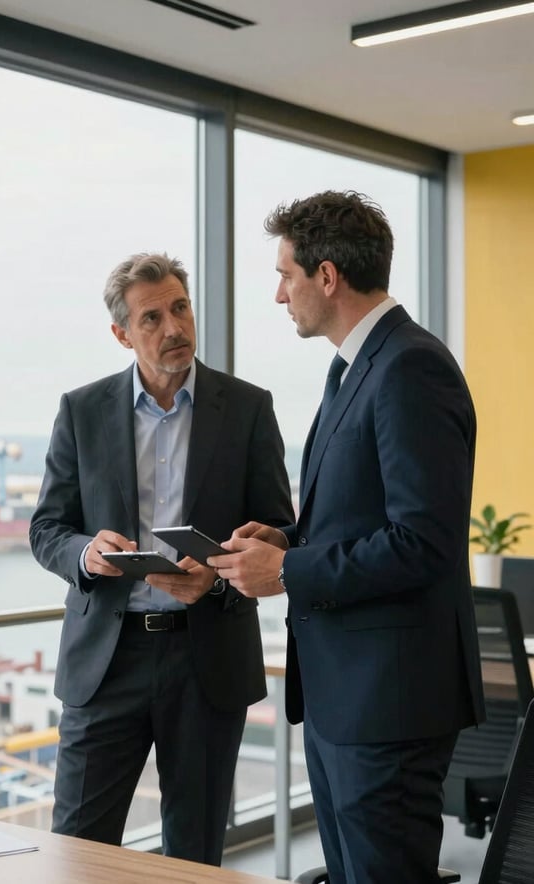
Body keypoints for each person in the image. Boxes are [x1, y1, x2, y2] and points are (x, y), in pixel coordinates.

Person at [211, 191, 485, 883]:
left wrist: (289, 572)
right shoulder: (356, 368)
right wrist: (285, 538)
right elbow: (362, 516)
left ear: (326, 276)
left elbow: (423, 540)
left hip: (388, 704)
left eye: (286, 275)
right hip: (350, 697)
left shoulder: (408, 368)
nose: (279, 295)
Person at [29, 252, 293, 865]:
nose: (173, 327)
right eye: (152, 317)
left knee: (193, 854)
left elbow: (280, 531)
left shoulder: (249, 408)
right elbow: (47, 528)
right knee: (77, 850)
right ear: (122, 333)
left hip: (207, 661)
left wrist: (219, 579)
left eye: (180, 307)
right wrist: (87, 554)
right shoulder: (82, 409)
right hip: (106, 662)